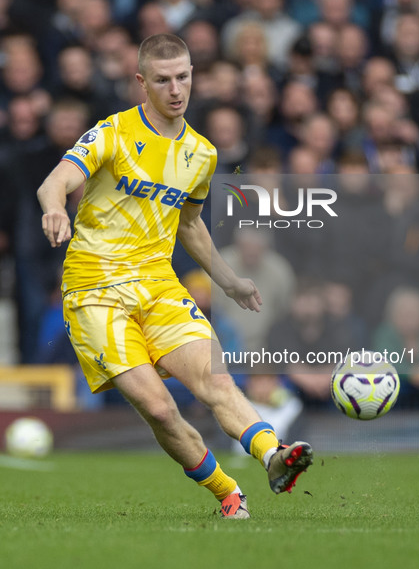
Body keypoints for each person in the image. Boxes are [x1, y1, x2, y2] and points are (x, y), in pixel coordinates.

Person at [37, 33, 313, 519]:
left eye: (183, 77)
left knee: (218, 384)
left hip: (159, 285)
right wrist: (56, 208)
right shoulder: (111, 132)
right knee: (162, 409)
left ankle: (274, 456)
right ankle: (228, 494)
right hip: (94, 291)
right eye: (163, 80)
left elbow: (190, 225)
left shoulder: (202, 154)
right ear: (142, 82)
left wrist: (228, 281)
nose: (175, 89)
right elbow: (54, 180)